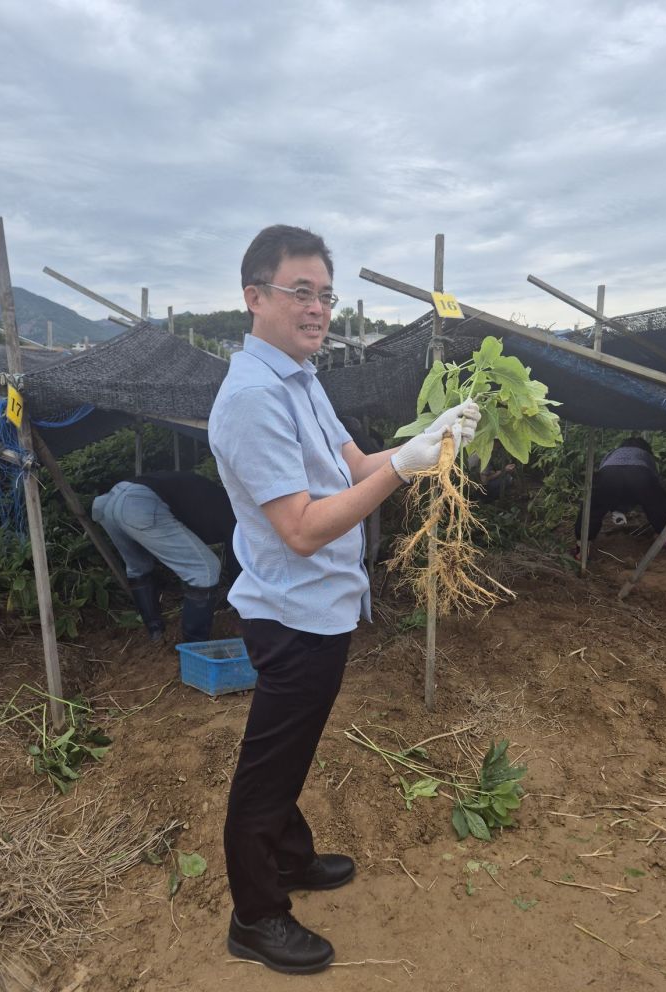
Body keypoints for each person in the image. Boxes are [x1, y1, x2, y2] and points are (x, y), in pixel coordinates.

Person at [208, 224, 480, 975]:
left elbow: (357, 464)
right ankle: (256, 915)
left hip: (320, 605)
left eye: (325, 294)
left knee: (292, 748)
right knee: (268, 769)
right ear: (253, 297)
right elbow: (297, 528)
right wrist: (402, 472)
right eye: (301, 292)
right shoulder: (253, 397)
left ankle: (290, 858)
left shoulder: (299, 378)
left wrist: (424, 443)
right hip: (290, 609)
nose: (318, 308)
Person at [92, 470, 239, 642]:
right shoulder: (235, 514)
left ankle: (155, 632)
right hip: (139, 504)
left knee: (138, 567)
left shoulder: (214, 499)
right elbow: (238, 561)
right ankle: (195, 646)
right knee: (205, 570)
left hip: (111, 501)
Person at [573, 437, 666, 558]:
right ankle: (665, 535)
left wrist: (614, 506)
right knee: (658, 503)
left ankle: (582, 544)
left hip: (609, 473)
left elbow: (605, 477)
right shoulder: (645, 454)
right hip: (640, 472)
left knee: (593, 507)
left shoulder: (613, 453)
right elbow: (653, 481)